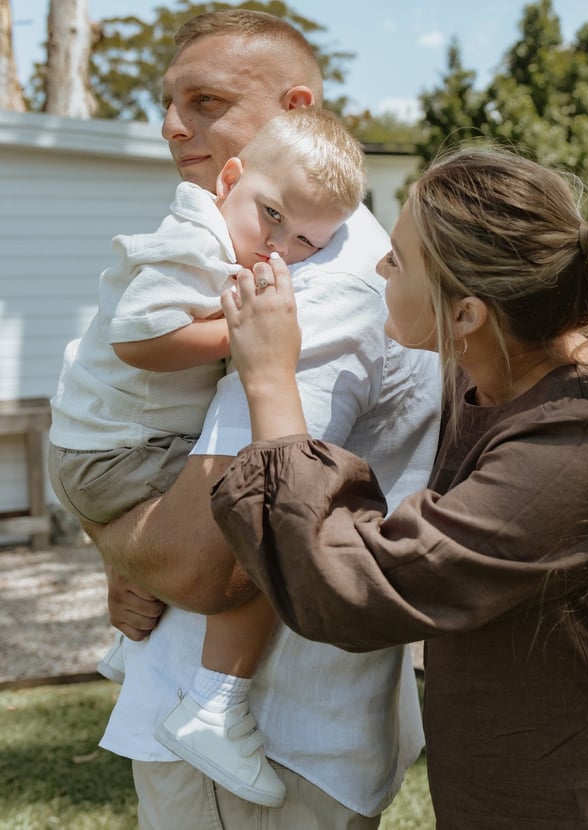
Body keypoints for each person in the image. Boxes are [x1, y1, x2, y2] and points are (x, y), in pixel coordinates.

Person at [210, 144, 588, 829]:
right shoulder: (498, 374)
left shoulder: (570, 451)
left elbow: (350, 586)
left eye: (397, 261)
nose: (380, 267)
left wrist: (269, 380)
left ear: (466, 316)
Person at [83, 9, 441, 829]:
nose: (175, 126)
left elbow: (218, 560)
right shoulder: (283, 257)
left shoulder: (322, 291)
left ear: (296, 108)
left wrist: (120, 544)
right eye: (168, 102)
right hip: (256, 737)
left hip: (264, 749)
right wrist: (134, 552)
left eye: (205, 100)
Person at [49, 105, 367, 807]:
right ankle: (214, 705)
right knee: (263, 519)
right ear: (232, 179)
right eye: (274, 218)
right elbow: (139, 337)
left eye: (310, 240)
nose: (282, 249)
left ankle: (140, 654)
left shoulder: (242, 239)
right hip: (115, 453)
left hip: (105, 447)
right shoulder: (195, 236)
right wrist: (243, 337)